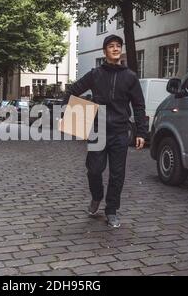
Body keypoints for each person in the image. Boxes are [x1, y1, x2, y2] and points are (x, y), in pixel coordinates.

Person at [63, 34, 147, 228]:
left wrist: (142, 132)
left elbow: (139, 105)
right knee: (94, 170)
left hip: (119, 131)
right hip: (98, 130)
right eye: (111, 46)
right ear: (105, 51)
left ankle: (111, 210)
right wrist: (71, 115)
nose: (116, 49)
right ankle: (97, 197)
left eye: (118, 46)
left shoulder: (130, 77)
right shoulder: (95, 74)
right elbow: (72, 91)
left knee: (117, 174)